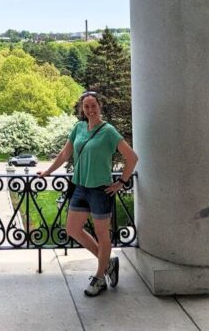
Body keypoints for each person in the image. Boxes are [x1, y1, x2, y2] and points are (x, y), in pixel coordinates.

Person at [38, 90, 138, 297]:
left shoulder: (108, 131)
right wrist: (48, 171)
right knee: (73, 229)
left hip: (100, 190)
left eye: (93, 105)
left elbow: (132, 157)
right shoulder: (78, 128)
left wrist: (121, 181)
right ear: (82, 109)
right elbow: (65, 154)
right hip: (79, 187)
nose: (90, 110)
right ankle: (108, 263)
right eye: (86, 106)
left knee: (103, 235)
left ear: (100, 106)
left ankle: (100, 277)